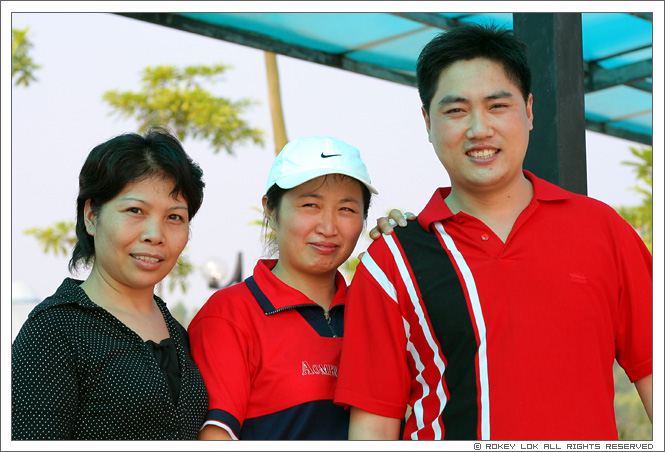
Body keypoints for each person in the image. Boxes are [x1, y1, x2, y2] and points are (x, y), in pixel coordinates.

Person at [334, 24, 652, 440]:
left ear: (530, 111)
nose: (479, 129)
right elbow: (372, 427)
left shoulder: (603, 230)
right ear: (427, 122)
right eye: (456, 110)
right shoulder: (391, 261)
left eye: (498, 105)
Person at [11, 128, 208, 440]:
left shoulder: (178, 333)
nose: (155, 235)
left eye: (174, 217)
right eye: (135, 211)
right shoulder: (53, 332)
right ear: (91, 216)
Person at [188, 136, 377, 440]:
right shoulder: (229, 315)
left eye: (346, 209)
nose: (328, 228)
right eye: (310, 205)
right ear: (271, 210)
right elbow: (215, 437)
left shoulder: (376, 310)